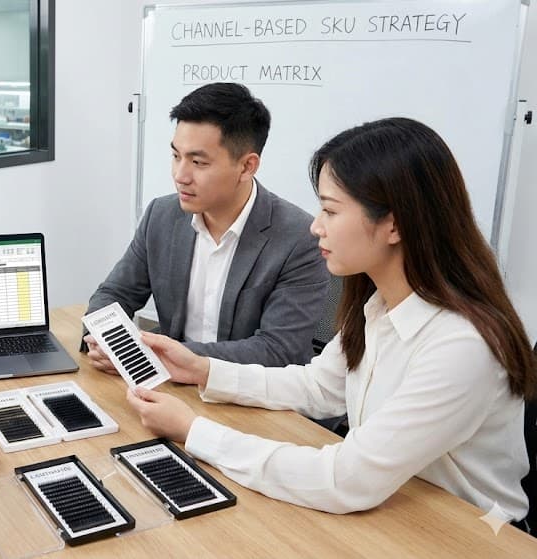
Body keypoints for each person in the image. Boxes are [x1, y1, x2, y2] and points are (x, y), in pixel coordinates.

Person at [125, 117, 536, 528]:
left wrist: (196, 432)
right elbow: (319, 386)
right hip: (399, 507)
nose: (315, 226)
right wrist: (202, 369)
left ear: (394, 223)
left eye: (330, 210)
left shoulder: (461, 344)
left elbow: (346, 478)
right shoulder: (378, 304)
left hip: (465, 534)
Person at [84, 83, 328, 369]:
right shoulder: (161, 215)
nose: (180, 175)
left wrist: (159, 357)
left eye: (198, 162)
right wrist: (109, 341)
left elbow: (276, 350)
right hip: (173, 386)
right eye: (176, 156)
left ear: (247, 166)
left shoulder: (299, 237)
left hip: (254, 398)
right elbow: (115, 293)